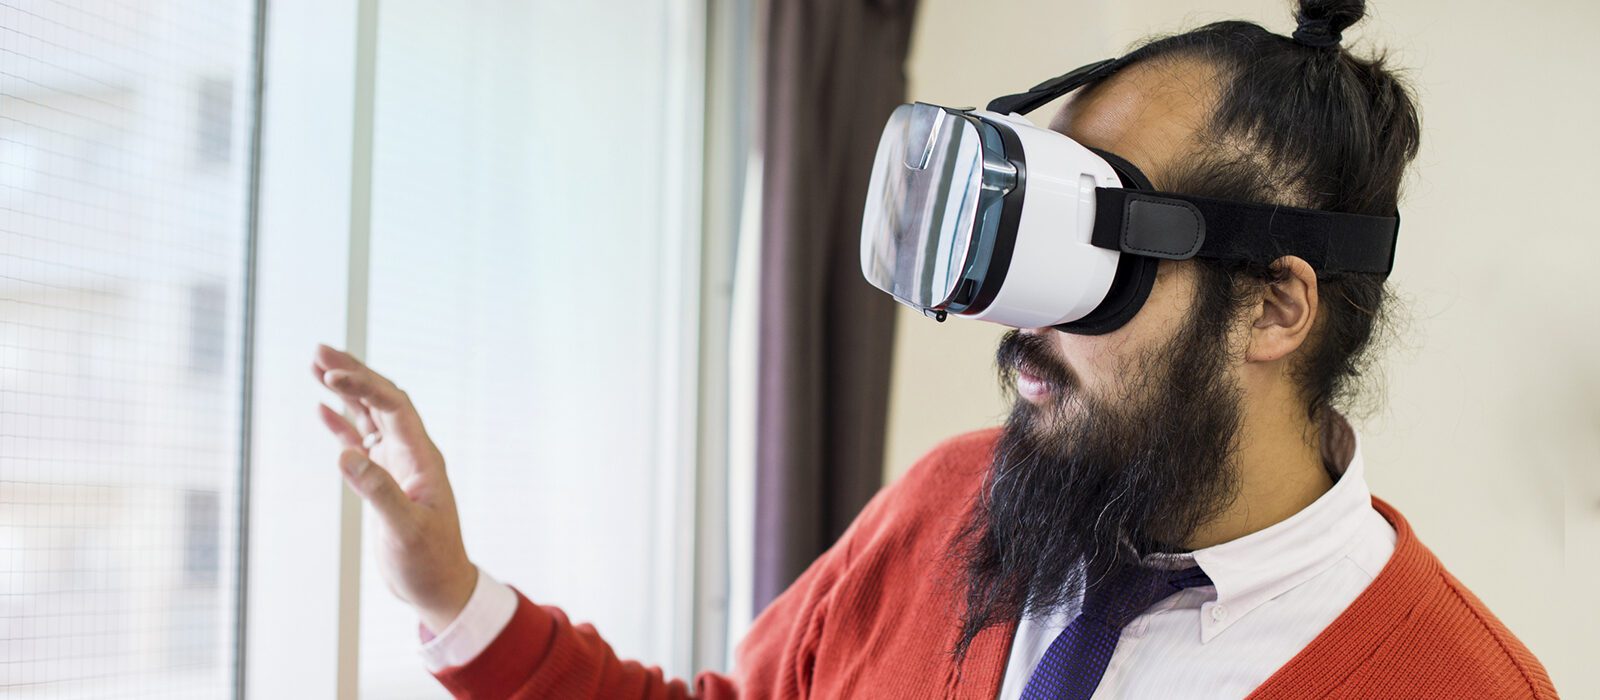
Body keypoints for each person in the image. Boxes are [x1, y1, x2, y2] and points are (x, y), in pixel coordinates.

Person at [312, 1, 1557, 697]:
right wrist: (451, 597)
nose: (1016, 335)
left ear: (1276, 308)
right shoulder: (954, 500)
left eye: (1083, 269)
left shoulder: (1460, 686)